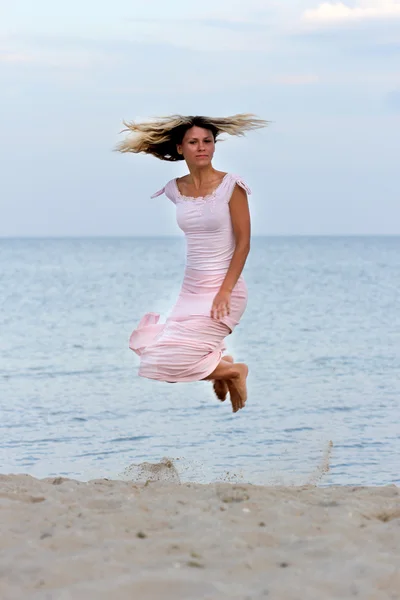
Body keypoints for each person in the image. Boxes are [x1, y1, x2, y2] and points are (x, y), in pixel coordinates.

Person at [117, 114, 268, 413]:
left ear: (214, 146)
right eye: (194, 142)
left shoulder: (231, 186)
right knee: (159, 360)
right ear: (180, 147)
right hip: (191, 291)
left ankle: (235, 372)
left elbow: (244, 243)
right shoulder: (175, 189)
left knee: (176, 361)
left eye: (208, 141)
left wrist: (225, 291)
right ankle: (223, 366)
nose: (202, 148)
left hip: (225, 288)